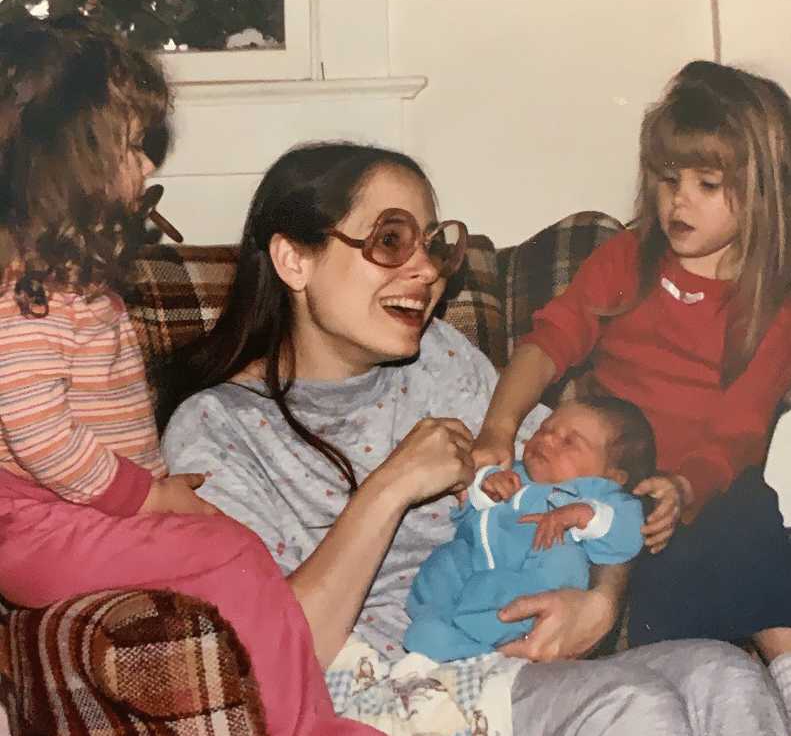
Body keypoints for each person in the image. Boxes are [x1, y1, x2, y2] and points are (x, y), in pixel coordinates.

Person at [162, 140, 789, 735]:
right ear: (294, 260)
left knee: (724, 674)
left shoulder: (440, 358)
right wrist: (391, 488)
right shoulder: (219, 430)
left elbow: (591, 484)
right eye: (391, 241)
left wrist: (600, 600)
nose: (426, 271)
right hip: (403, 686)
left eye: (434, 246)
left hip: (519, 657)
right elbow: (268, 650)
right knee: (634, 707)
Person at [0, 17, 382, 736]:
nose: (146, 165)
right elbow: (36, 430)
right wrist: (146, 497)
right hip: (42, 527)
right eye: (129, 146)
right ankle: (304, 727)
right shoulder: (29, 293)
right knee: (231, 551)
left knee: (234, 549)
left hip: (71, 518)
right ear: (69, 159)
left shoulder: (66, 282)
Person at [473, 59, 791, 714]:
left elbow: (737, 431)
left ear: (762, 192)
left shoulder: (769, 306)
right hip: (602, 477)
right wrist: (499, 425)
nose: (679, 200)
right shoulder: (627, 257)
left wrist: (683, 486)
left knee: (748, 518)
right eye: (668, 179)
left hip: (697, 491)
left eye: (707, 183)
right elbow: (547, 340)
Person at [405, 396, 651, 661]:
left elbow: (628, 535)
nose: (546, 440)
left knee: (559, 561)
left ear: (614, 475)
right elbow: (468, 503)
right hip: (475, 556)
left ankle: (480, 643)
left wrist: (584, 514)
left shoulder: (602, 494)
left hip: (536, 570)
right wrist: (488, 489)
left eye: (569, 442)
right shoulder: (513, 473)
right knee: (446, 560)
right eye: (544, 429)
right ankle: (436, 626)